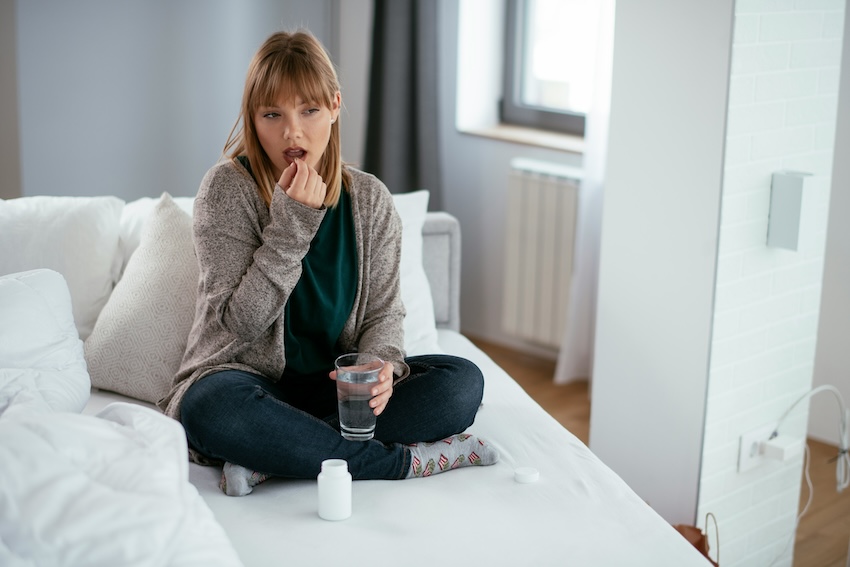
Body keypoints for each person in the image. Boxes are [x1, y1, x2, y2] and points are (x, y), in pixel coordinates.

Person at [158, 29, 498, 496]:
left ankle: (274, 457)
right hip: (248, 384)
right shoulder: (225, 190)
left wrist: (381, 369)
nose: (291, 131)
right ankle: (400, 462)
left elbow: (382, 313)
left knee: (461, 383)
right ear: (253, 120)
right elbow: (241, 322)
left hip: (336, 393)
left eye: (309, 110)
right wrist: (293, 223)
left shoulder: (370, 200)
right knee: (209, 409)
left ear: (335, 106)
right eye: (272, 114)